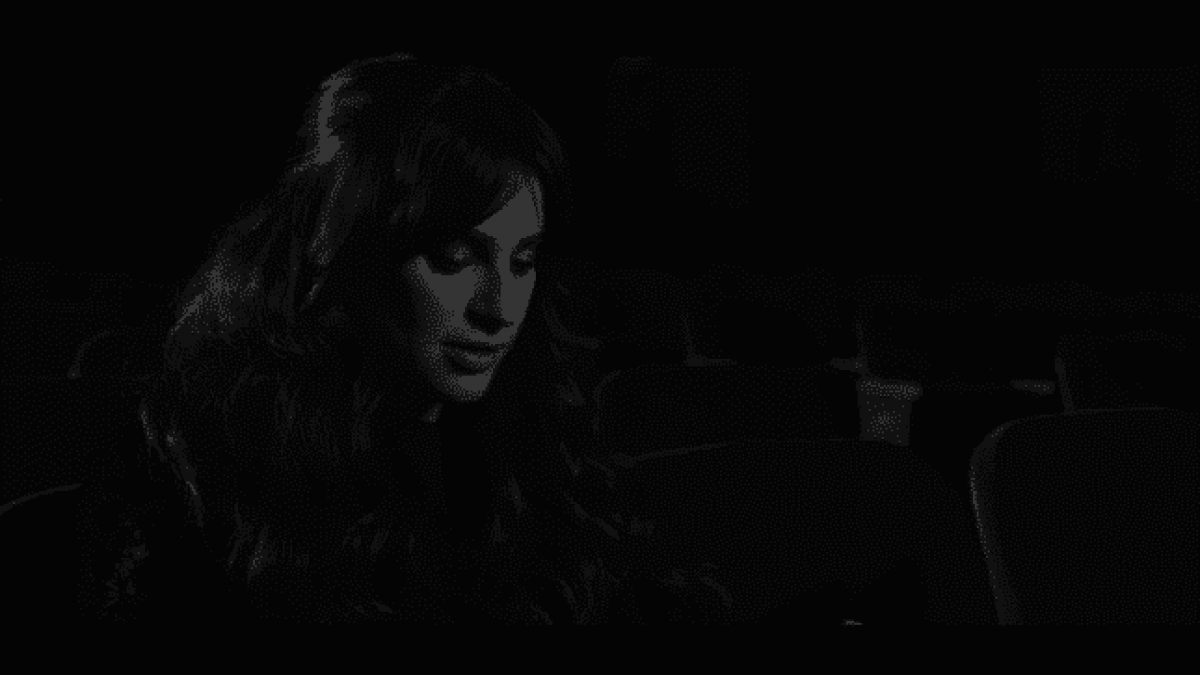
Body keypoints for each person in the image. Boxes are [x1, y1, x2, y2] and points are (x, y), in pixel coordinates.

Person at [75, 54, 738, 623]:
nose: (500, 309)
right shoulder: (219, 461)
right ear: (353, 251)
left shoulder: (538, 429)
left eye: (523, 260)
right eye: (454, 258)